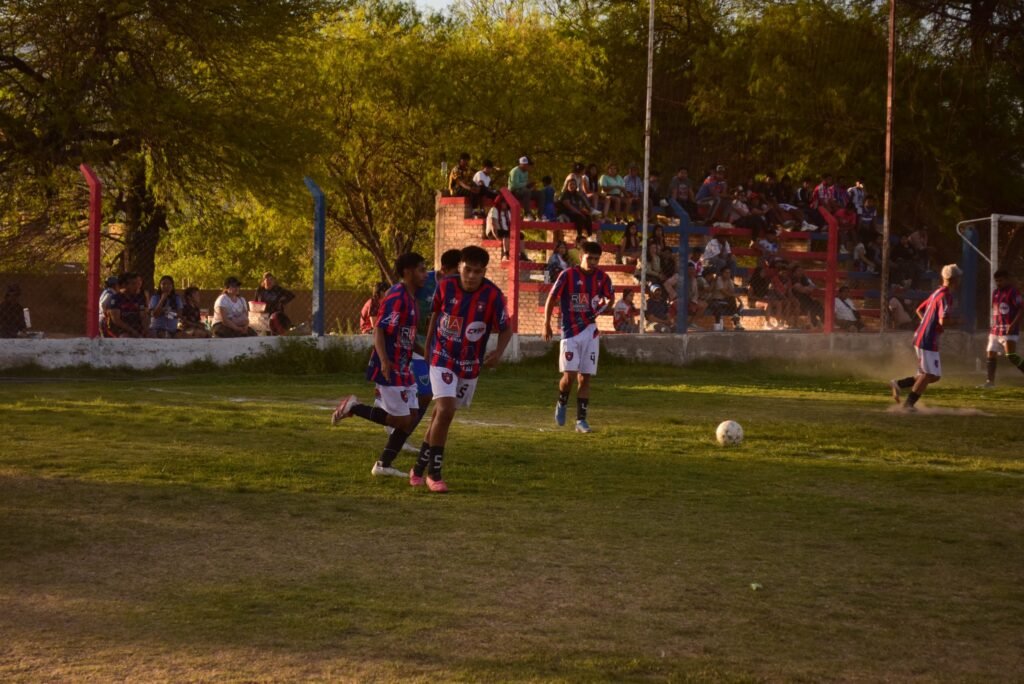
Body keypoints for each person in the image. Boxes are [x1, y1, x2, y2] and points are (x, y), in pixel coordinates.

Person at [412, 246, 512, 492]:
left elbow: (506, 329)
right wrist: (428, 346)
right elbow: (435, 315)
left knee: (442, 414)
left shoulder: (493, 296)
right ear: (460, 268)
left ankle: (418, 466)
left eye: (477, 272)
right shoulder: (446, 286)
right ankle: (434, 474)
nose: (471, 276)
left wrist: (498, 353)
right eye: (467, 270)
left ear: (484, 272)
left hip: (469, 364)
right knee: (445, 409)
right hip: (442, 356)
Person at [331, 253, 429, 478]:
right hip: (390, 365)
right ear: (407, 272)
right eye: (421, 270)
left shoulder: (412, 299)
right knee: (401, 420)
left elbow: (406, 337)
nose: (425, 275)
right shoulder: (397, 296)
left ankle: (384, 465)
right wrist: (384, 360)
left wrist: (426, 355)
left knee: (411, 417)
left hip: (404, 367)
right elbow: (379, 330)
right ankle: (354, 407)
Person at [376, 248, 465, 460]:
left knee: (424, 397)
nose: (460, 277)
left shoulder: (458, 289)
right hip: (411, 345)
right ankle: (395, 427)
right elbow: (393, 302)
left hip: (431, 346)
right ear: (445, 270)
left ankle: (400, 434)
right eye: (457, 272)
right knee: (423, 394)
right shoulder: (423, 283)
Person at [543, 241, 613, 434]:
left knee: (585, 378)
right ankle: (562, 402)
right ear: (581, 256)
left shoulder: (602, 278)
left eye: (597, 259)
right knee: (570, 377)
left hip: (591, 332)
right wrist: (546, 323)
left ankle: (581, 421)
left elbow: (610, 298)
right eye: (590, 258)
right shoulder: (567, 275)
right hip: (570, 332)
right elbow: (552, 298)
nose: (593, 262)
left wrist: (602, 307)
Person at [890, 264, 962, 410]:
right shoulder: (946, 296)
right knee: (929, 374)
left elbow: (919, 309)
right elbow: (943, 320)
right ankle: (908, 405)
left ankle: (899, 384)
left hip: (924, 336)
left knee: (932, 375)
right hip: (927, 339)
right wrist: (957, 321)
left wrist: (927, 323)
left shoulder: (937, 292)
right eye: (959, 277)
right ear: (954, 279)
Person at [981, 269, 1024, 388]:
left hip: (1009, 330)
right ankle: (990, 382)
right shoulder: (995, 292)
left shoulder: (1013, 292)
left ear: (1007, 279)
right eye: (997, 281)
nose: (998, 283)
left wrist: (1013, 324)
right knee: (990, 352)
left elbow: (1021, 308)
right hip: (996, 329)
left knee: (1011, 355)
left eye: (1001, 280)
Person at [102, 272, 149, 338]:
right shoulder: (116, 298)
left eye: (137, 283)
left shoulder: (140, 297)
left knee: (151, 335)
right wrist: (132, 331)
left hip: (137, 328)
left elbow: (143, 316)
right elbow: (116, 320)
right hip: (120, 330)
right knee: (125, 337)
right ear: (125, 285)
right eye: (133, 284)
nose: (136, 286)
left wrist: (145, 329)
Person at [706, 266, 743, 331]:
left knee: (734, 301)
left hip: (726, 299)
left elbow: (732, 291)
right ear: (722, 273)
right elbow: (724, 292)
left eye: (729, 273)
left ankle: (736, 320)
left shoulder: (730, 280)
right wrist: (735, 296)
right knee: (732, 299)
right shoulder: (718, 279)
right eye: (726, 272)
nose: (728, 274)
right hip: (716, 299)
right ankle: (736, 320)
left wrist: (734, 295)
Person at [486, 194, 513, 260]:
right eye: (504, 202)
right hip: (494, 231)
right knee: (506, 235)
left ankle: (521, 254)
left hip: (505, 231)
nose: (506, 204)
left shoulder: (508, 212)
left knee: (520, 236)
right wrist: (497, 237)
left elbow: (511, 224)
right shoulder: (494, 210)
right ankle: (506, 254)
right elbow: (493, 225)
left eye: (506, 202)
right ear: (500, 203)